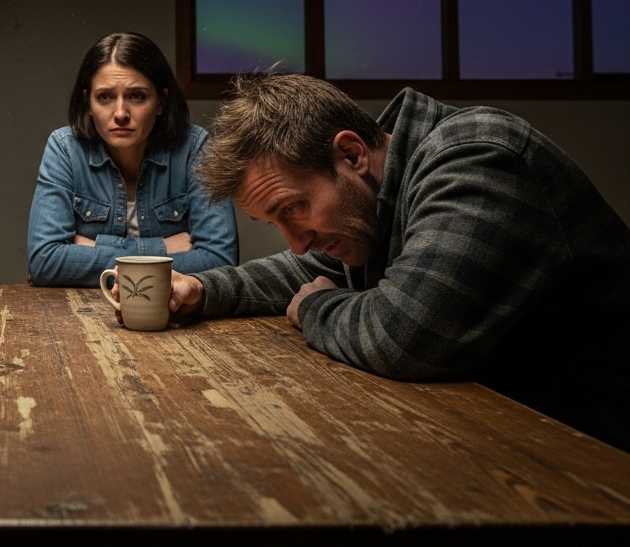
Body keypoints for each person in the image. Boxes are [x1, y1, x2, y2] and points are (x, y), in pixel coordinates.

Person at [158, 72, 630, 451]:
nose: (297, 242)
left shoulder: (476, 158)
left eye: (294, 208)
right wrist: (202, 291)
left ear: (351, 153)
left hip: (602, 456)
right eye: (276, 222)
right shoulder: (381, 195)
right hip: (518, 433)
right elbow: (306, 270)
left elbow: (403, 336)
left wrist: (314, 309)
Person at [27, 32, 238, 287]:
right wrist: (161, 248)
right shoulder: (66, 148)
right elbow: (45, 262)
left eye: (136, 96)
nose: (120, 114)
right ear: (88, 103)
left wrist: (94, 246)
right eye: (104, 97)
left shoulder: (193, 147)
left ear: (161, 101)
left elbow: (220, 261)